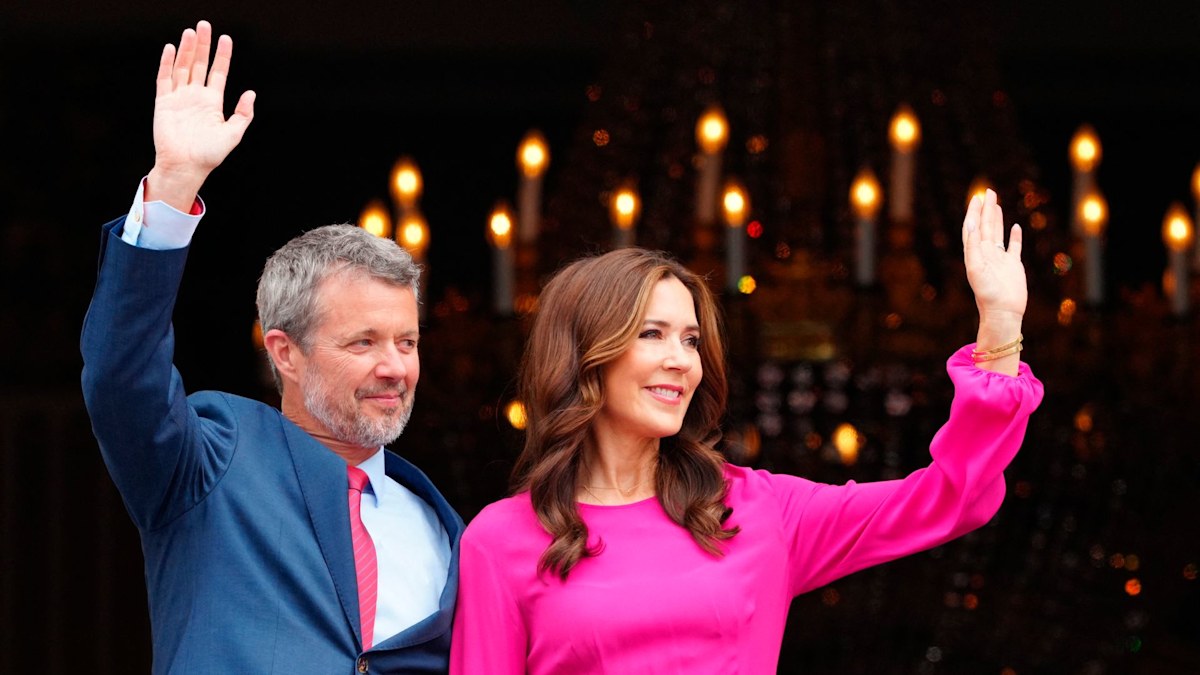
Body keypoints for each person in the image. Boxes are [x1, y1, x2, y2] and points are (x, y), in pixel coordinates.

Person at [451, 190, 1044, 673]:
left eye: (691, 340)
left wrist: (999, 325)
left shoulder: (757, 510)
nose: (683, 360)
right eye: (652, 334)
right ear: (586, 357)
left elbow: (950, 497)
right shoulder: (499, 541)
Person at [81, 21, 462, 673]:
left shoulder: (443, 522)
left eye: (407, 340)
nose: (395, 366)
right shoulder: (209, 462)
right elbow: (122, 375)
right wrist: (172, 186)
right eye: (364, 341)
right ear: (284, 351)